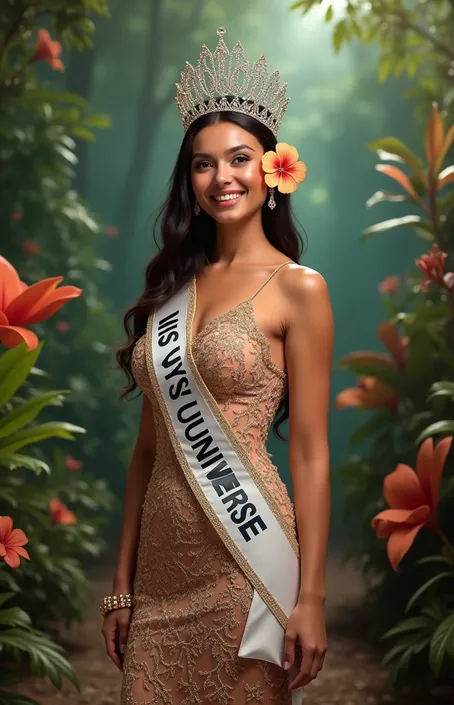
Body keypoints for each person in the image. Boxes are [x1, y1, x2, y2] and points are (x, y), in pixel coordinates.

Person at [102, 27, 334, 705]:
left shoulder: (300, 289)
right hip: (161, 574)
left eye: (238, 158)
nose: (221, 177)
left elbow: (314, 455)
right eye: (203, 164)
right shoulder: (172, 290)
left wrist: (312, 595)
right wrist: (123, 582)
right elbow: (147, 452)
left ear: (271, 168)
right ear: (189, 178)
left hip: (246, 558)